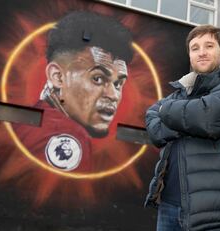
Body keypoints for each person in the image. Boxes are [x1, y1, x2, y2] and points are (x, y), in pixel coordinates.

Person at [144, 25, 220, 231]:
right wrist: (186, 118)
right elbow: (154, 128)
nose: (201, 52)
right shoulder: (180, 94)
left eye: (209, 45)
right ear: (189, 55)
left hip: (217, 213)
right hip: (169, 207)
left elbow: (208, 118)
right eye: (195, 48)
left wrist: (167, 111)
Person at [13, 11, 133, 172]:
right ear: (58, 77)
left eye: (118, 84)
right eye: (97, 78)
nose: (113, 95)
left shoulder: (36, 120)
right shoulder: (69, 137)